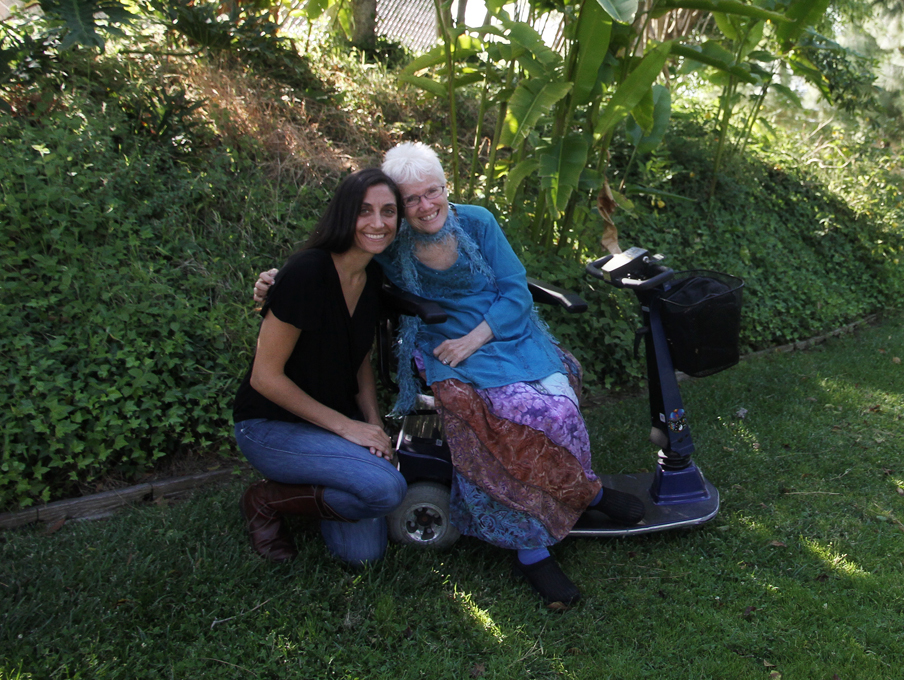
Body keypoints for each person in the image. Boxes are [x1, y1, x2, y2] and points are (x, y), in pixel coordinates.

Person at [255, 142, 643, 606]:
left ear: (445, 187)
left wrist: (477, 336)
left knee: (555, 410)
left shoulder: (477, 221)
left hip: (508, 333)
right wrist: (278, 281)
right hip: (441, 343)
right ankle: (532, 549)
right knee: (495, 416)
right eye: (411, 199)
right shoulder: (388, 239)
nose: (425, 206)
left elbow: (515, 289)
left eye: (432, 191)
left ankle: (583, 494)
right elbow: (334, 259)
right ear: (400, 206)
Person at [233, 168, 409, 567]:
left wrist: (372, 422)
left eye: (388, 211)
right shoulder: (307, 272)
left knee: (363, 554)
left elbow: (359, 355)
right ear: (345, 213)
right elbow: (265, 378)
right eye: (365, 211)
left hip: (332, 420)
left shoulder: (372, 275)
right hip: (270, 425)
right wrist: (348, 428)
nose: (378, 223)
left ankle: (320, 476)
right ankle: (264, 499)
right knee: (386, 488)